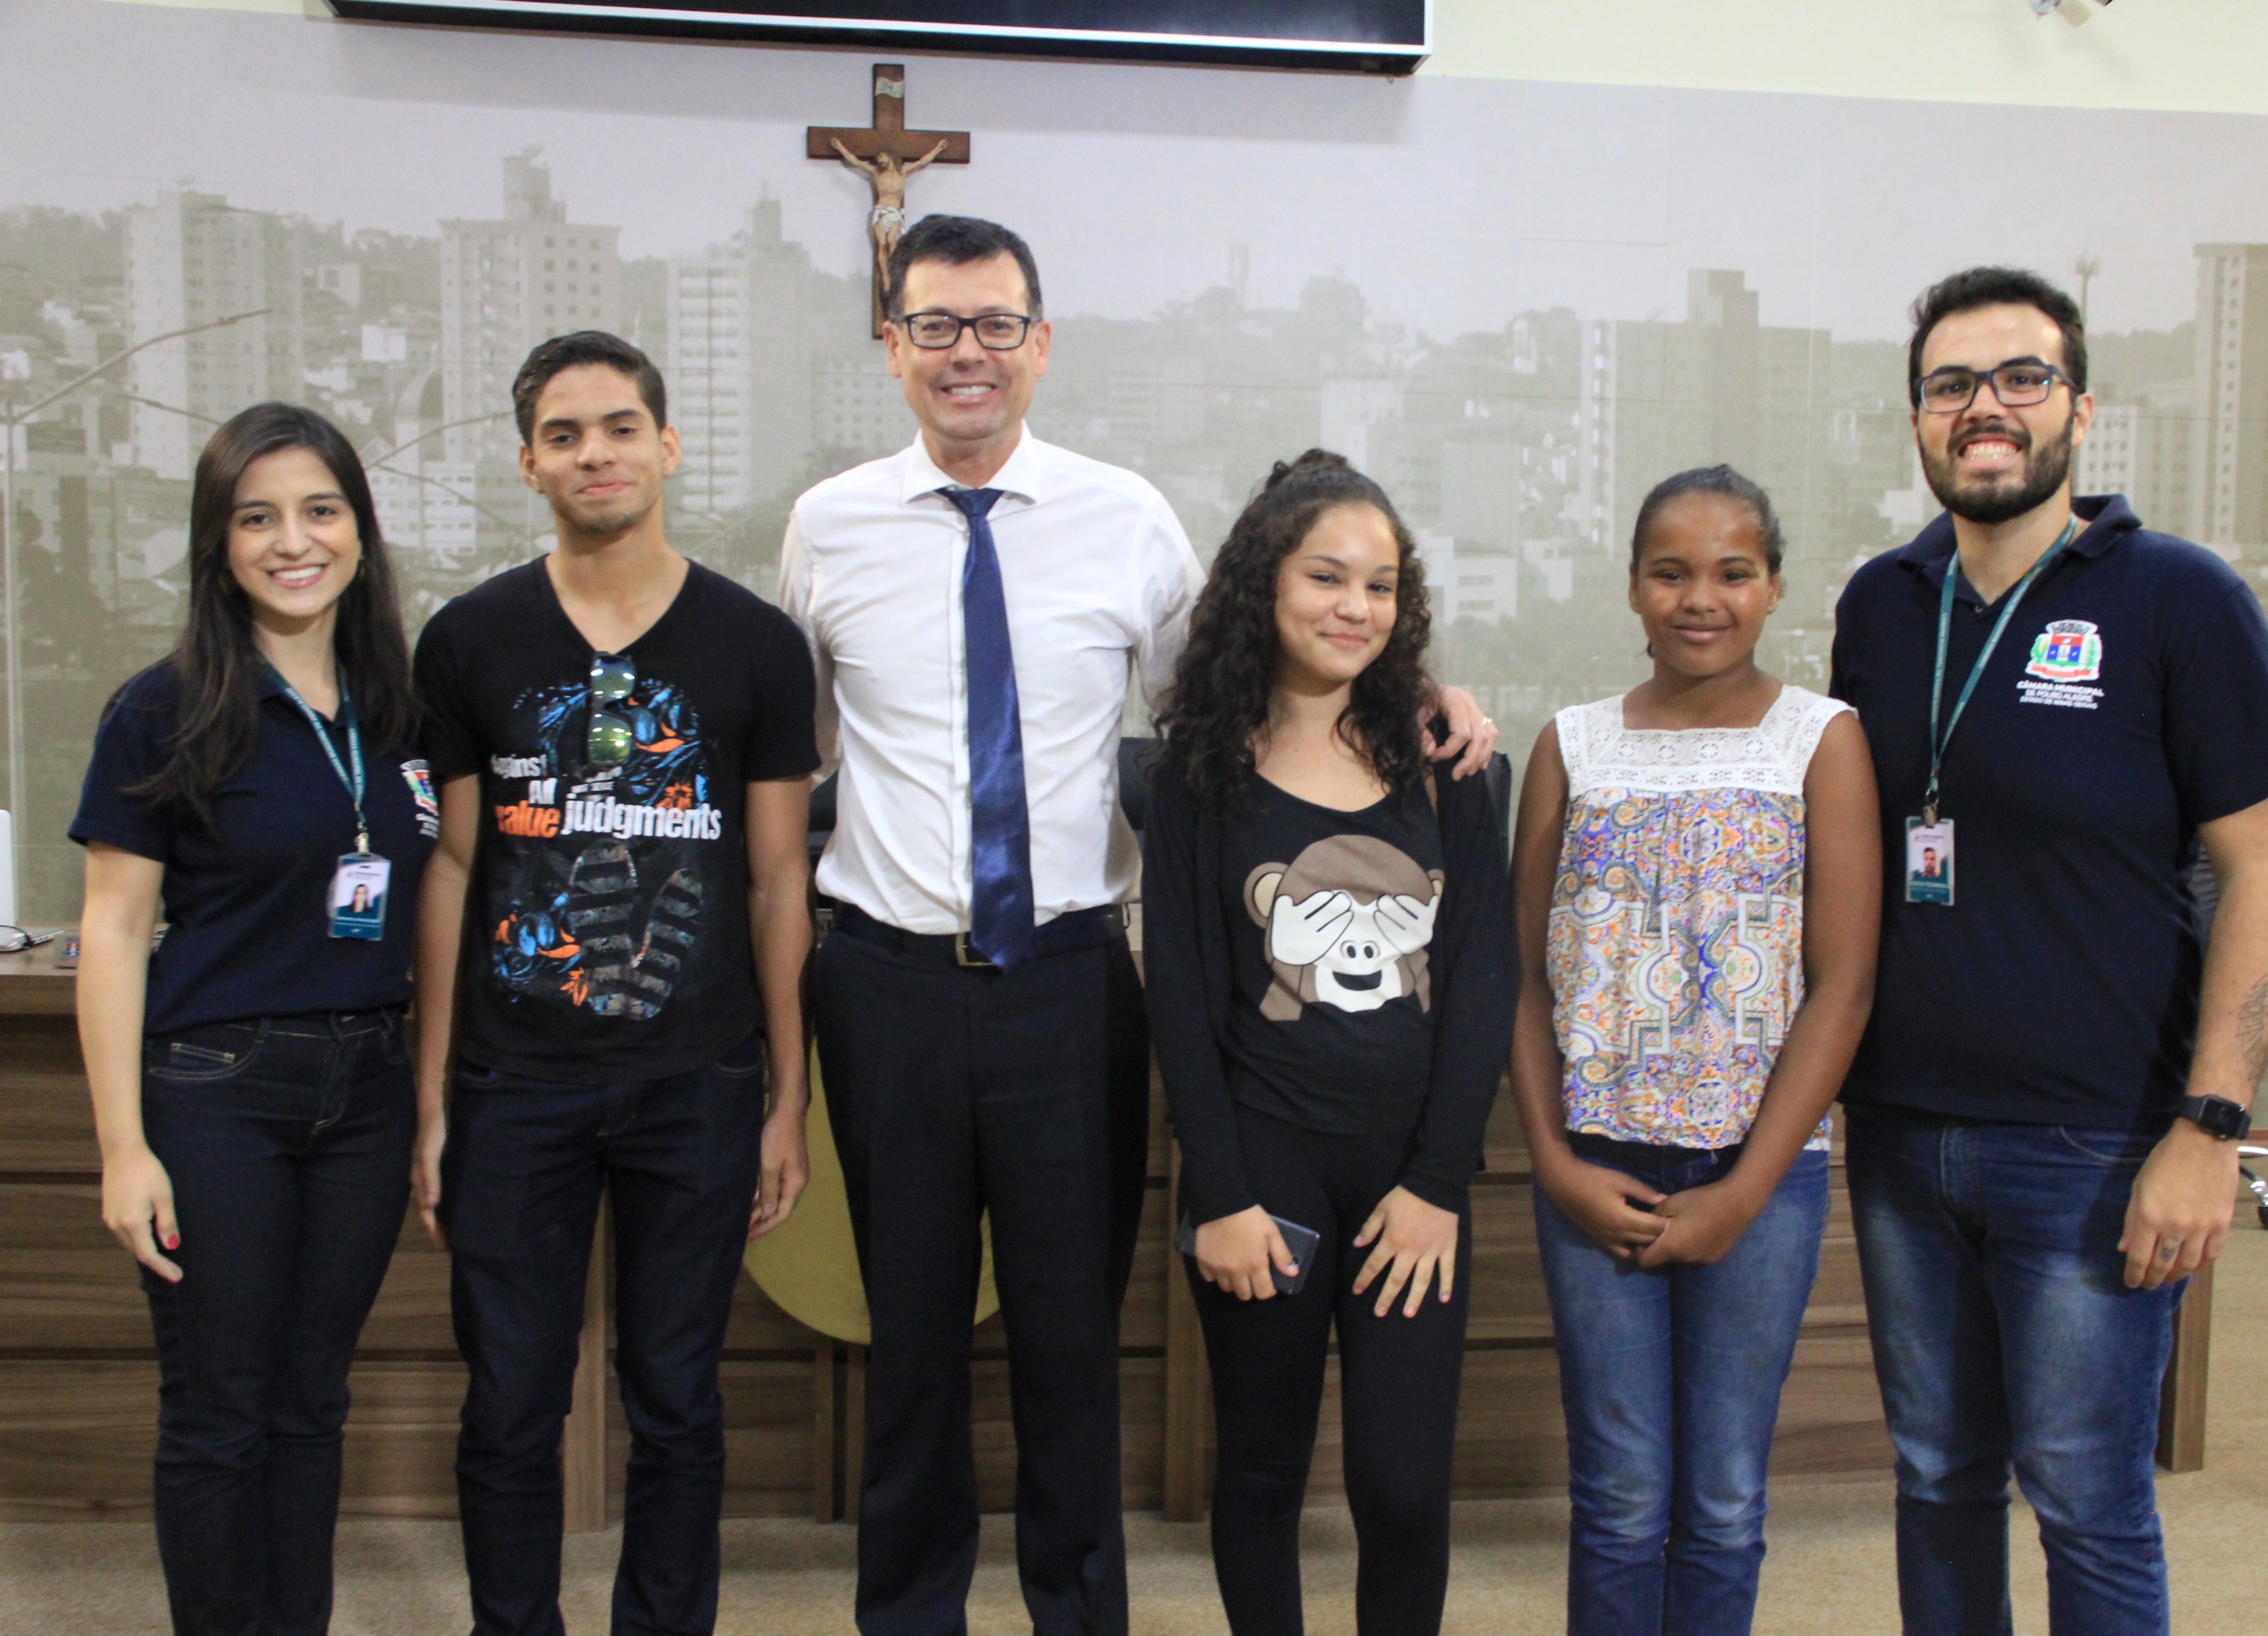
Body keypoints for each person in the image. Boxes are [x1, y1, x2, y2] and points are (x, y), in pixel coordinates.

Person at [776, 214, 1495, 1636]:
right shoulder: (827, 525)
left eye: (996, 324)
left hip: (1067, 985)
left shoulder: (1126, 519)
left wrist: (1434, 695)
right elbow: (801, 756)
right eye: (936, 325)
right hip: (884, 985)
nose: (967, 352)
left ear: (1041, 344)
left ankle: (1076, 1617)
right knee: (912, 1344)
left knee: (1068, 1345)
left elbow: (1254, 694)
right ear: (893, 347)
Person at [1831, 267, 2268, 1634]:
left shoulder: (2178, 600)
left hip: (2096, 1147)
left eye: (2020, 378)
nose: (1984, 407)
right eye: (1949, 385)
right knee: (1933, 1481)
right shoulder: (1882, 602)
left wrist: (2211, 1128)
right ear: (1919, 420)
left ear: (2080, 409)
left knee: (2088, 1500)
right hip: (1905, 1136)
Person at [411, 331, 819, 1636]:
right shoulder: (469, 638)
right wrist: (432, 1105)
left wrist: (784, 1097)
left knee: (679, 1399)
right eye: (568, 433)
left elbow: (774, 884)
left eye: (622, 427)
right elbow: (454, 870)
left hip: (694, 1086)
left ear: (668, 444)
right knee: (511, 1401)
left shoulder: (755, 644)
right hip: (511, 1083)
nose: (598, 453)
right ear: (530, 460)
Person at [71, 401, 432, 1636]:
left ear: (360, 531)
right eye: (258, 516)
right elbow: (113, 931)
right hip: (217, 1091)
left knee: (311, 1401)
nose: (295, 540)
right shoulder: (164, 706)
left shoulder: (398, 707)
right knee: (222, 1407)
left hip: (368, 1091)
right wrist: (125, 1150)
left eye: (321, 510)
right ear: (218, 544)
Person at [1142, 450, 1517, 1636]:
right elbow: (1185, 1001)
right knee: (1260, 1474)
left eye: (1383, 585)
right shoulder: (1195, 775)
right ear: (1264, 585)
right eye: (1327, 577)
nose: (1356, 607)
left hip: (1411, 1181)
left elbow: (1481, 977)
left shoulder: (1450, 761)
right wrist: (1224, 1193)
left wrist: (1437, 1182)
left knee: (1402, 1490)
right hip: (1266, 1178)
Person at [1507, 466, 1881, 1635]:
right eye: (1670, 571)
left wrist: (1743, 1193)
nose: (1699, 598)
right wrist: (1554, 1164)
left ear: (1774, 586)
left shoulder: (1822, 740)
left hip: (1759, 1181)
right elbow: (1520, 981)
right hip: (1596, 1171)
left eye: (1732, 571)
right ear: (1632, 587)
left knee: (1721, 1496)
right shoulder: (1571, 746)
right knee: (1618, 1494)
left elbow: (1845, 984)